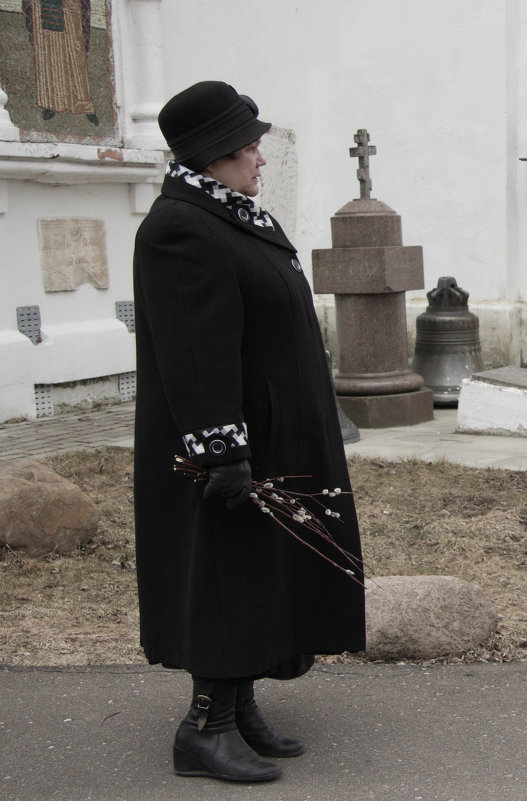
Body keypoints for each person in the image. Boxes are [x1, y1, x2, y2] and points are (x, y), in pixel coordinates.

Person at [132, 81, 366, 783]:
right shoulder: (181, 227)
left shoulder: (231, 216)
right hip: (228, 450)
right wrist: (221, 449)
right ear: (213, 154)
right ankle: (204, 727)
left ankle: (239, 706)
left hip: (271, 435)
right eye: (248, 144)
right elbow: (194, 349)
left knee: (259, 574)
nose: (260, 156)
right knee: (227, 579)